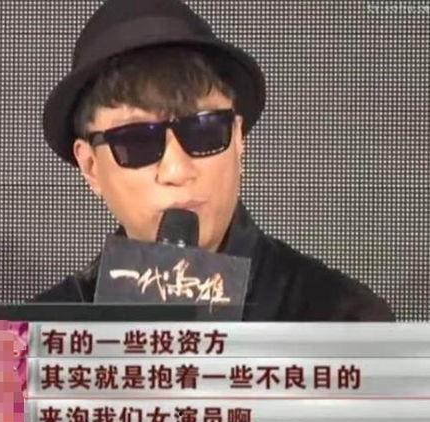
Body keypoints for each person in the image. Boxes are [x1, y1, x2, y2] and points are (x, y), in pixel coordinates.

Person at [37, 0, 392, 321]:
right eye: (136, 141)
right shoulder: (35, 341)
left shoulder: (345, 321)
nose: (177, 170)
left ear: (238, 139)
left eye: (204, 130)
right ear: (90, 167)